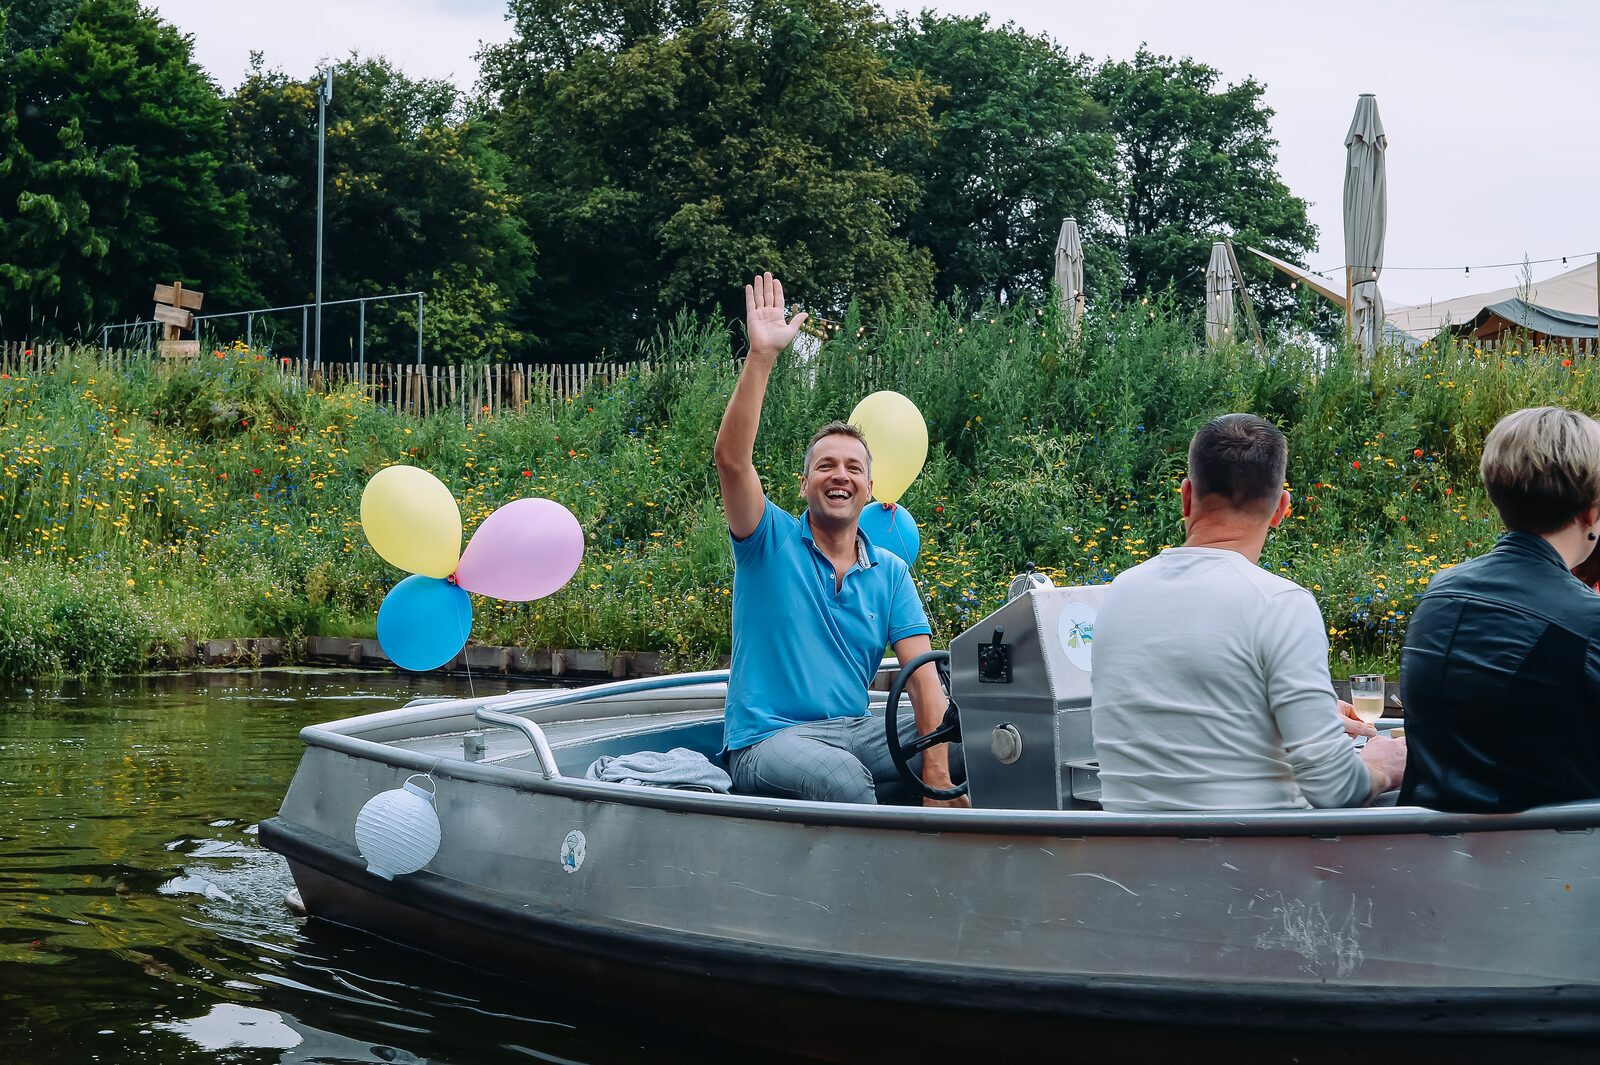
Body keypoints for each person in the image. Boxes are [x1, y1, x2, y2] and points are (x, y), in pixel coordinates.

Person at [712, 272, 965, 807]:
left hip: (853, 731)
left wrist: (939, 780)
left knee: (978, 745)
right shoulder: (767, 540)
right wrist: (761, 357)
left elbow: (922, 678)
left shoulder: (890, 571)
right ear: (805, 484)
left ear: (870, 487)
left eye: (853, 467)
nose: (840, 475)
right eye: (825, 465)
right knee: (843, 780)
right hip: (768, 741)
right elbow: (732, 462)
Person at [1091, 414, 1406, 812]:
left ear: (1186, 497)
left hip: (1127, 866)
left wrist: (1300, 714)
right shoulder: (1280, 604)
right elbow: (1336, 788)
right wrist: (1384, 763)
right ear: (1281, 509)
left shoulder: (1118, 594)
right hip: (1254, 866)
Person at [1399, 406, 1600, 813]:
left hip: (1433, 853)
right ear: (1591, 513)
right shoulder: (1588, 623)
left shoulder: (1440, 592)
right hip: (1558, 861)